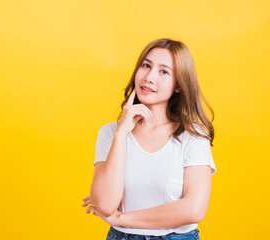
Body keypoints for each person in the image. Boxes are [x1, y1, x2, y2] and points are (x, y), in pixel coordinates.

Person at [82, 38, 217, 240]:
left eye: (164, 71)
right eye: (146, 65)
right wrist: (121, 134)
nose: (149, 77)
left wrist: (122, 218)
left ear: (178, 84)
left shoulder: (193, 136)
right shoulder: (110, 133)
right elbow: (105, 204)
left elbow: (194, 209)